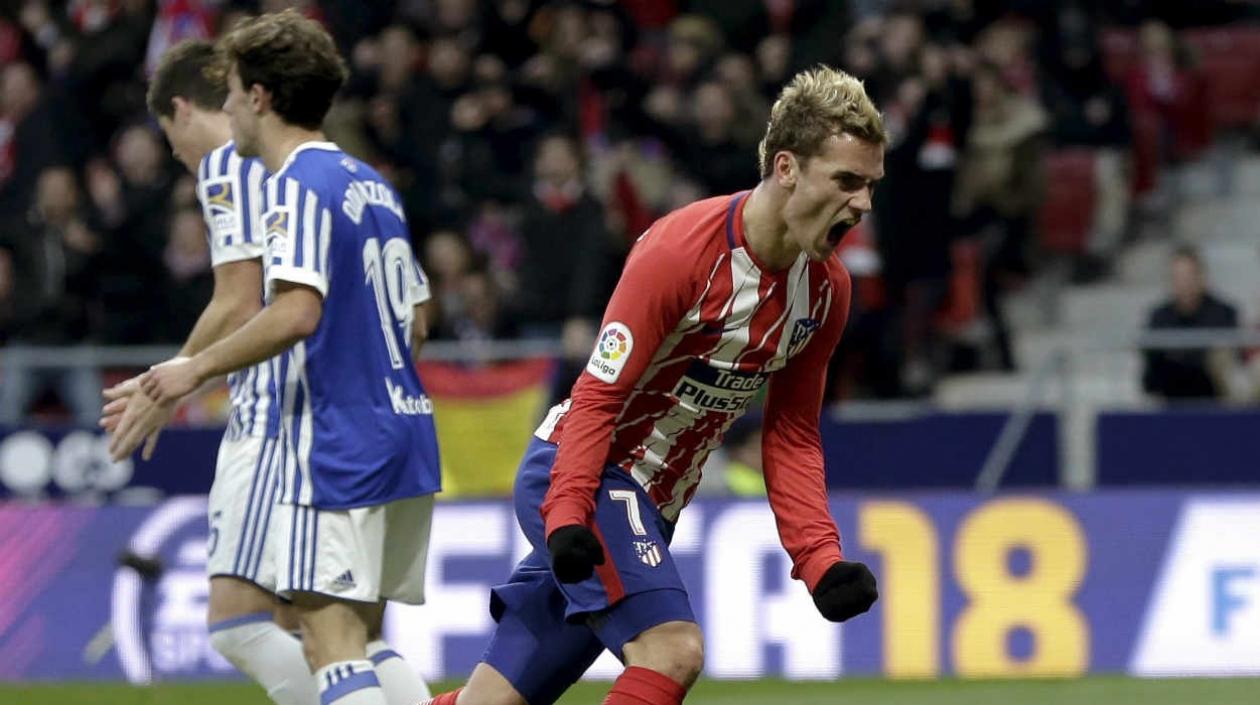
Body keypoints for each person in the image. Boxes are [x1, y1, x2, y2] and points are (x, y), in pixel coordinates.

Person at [426, 65, 881, 705]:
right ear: (787, 168)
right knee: (672, 650)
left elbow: (791, 434)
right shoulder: (680, 252)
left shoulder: (826, 291)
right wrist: (566, 514)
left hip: (652, 509)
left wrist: (819, 560)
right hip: (584, 475)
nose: (862, 203)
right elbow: (599, 393)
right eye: (846, 181)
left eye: (869, 186)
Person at [114, 15, 440, 705]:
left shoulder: (285, 179)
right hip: (405, 426)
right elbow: (419, 317)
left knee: (323, 641)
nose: (225, 105)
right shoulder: (370, 182)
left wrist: (187, 371)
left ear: (259, 96)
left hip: (331, 436)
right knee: (360, 638)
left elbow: (287, 309)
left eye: (231, 90)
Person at [1141, 245, 1239, 399]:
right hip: (1170, 400)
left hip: (1216, 401)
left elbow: (1226, 362)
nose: (1184, 283)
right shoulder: (1158, 316)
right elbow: (1152, 368)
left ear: (1202, 276)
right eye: (1177, 277)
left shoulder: (1224, 312)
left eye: (1189, 276)